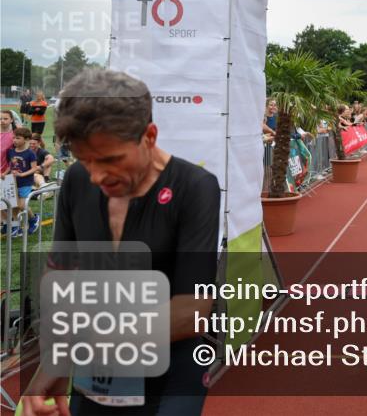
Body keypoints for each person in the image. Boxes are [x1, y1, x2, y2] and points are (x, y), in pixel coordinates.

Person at [21, 69, 220, 416]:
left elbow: (192, 311)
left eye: (111, 159)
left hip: (172, 366)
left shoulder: (195, 187)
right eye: (85, 160)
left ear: (149, 136)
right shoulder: (78, 182)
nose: (96, 176)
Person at [2, 127, 39, 237]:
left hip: (25, 182)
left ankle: (33, 219)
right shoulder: (11, 151)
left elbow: (34, 168)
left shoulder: (30, 153)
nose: (14, 140)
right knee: (14, 205)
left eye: (18, 138)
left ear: (26, 139)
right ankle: (16, 226)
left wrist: (22, 174)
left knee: (22, 205)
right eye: (13, 138)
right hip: (13, 182)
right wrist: (5, 173)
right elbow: (10, 165)